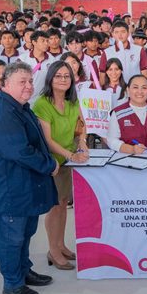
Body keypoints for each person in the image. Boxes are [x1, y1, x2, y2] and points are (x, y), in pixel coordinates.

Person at [0, 62, 58, 294]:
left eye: (30, 81)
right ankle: (12, 283)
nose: (28, 86)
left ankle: (23, 270)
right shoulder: (3, 112)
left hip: (21, 183)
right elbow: (20, 151)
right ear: (5, 84)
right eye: (22, 82)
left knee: (24, 231)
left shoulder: (18, 106)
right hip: (6, 186)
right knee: (10, 236)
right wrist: (49, 165)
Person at [33, 61, 89, 270]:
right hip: (52, 161)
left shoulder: (72, 101)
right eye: (58, 76)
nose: (63, 79)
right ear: (50, 79)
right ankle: (53, 250)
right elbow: (47, 140)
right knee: (55, 206)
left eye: (67, 76)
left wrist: (82, 142)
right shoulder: (42, 104)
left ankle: (61, 245)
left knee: (63, 203)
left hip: (68, 159)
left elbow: (82, 125)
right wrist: (71, 155)